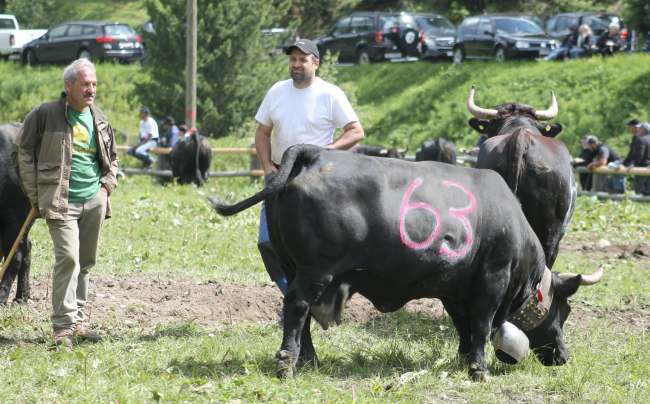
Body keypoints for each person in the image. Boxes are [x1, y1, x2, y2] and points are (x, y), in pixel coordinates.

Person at [254, 39, 364, 324]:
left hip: (318, 178)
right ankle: (295, 295)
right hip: (281, 175)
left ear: (316, 63)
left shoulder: (330, 94)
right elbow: (263, 132)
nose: (296, 64)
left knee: (318, 247)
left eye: (303, 59)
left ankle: (316, 301)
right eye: (292, 58)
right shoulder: (277, 91)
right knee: (268, 242)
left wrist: (323, 152)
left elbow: (355, 131)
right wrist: (267, 168)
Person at [12, 59, 119, 346]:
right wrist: (35, 194)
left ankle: (78, 322)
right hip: (60, 202)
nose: (91, 89)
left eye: (94, 84)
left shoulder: (99, 117)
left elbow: (113, 159)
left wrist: (106, 188)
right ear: (68, 85)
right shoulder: (45, 114)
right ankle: (62, 327)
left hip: (94, 199)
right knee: (68, 259)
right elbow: (21, 152)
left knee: (85, 262)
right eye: (85, 84)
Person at [620, 122, 650, 195]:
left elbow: (640, 154)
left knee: (637, 188)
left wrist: (634, 164)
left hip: (643, 167)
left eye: (639, 129)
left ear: (643, 130)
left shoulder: (641, 139)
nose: (638, 131)